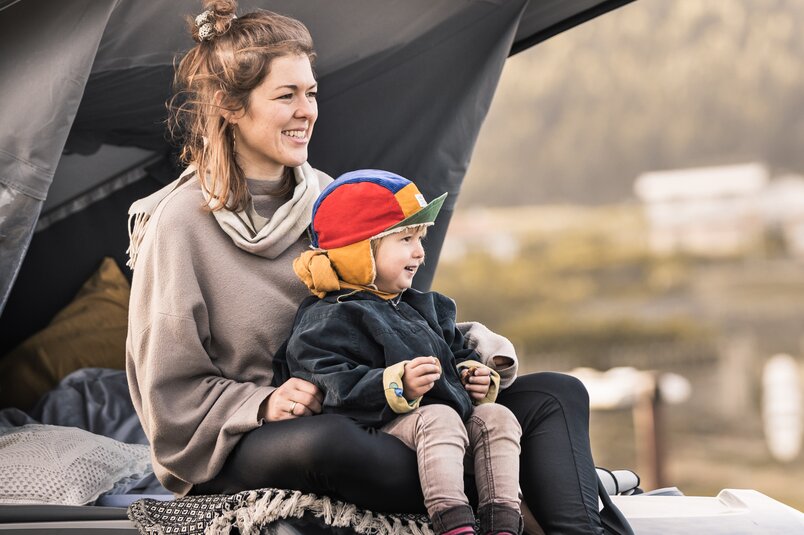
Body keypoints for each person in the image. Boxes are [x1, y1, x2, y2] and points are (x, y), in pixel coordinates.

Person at [125, 1, 632, 534]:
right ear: (231, 106)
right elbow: (167, 392)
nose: (308, 111)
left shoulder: (331, 197)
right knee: (336, 442)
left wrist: (473, 354)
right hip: (265, 439)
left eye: (312, 92)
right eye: (286, 95)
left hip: (377, 408)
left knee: (556, 395)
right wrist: (262, 402)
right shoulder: (178, 224)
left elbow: (392, 312)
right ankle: (506, 489)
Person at [283, 170, 523, 535]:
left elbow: (455, 351)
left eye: (420, 239)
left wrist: (471, 374)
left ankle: (503, 521)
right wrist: (397, 385)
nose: (419, 252)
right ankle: (454, 524)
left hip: (447, 424)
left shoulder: (425, 306)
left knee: (497, 417)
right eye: (406, 239)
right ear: (359, 250)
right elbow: (328, 380)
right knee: (439, 416)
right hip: (384, 427)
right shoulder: (330, 315)